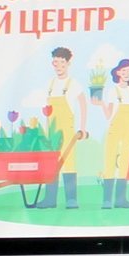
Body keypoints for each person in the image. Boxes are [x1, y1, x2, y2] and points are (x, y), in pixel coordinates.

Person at [32, 47, 78, 209]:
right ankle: (50, 199)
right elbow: (47, 109)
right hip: (52, 130)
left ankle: (71, 200)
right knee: (50, 163)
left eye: (62, 62)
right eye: (55, 62)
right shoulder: (50, 84)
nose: (58, 65)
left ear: (68, 63)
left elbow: (83, 104)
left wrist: (84, 128)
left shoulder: (72, 84)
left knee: (68, 162)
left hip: (67, 129)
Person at [100, 59, 129, 208]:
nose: (127, 74)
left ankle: (120, 200)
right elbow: (108, 114)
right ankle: (106, 200)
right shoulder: (113, 90)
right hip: (114, 129)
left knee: (124, 164)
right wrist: (100, 104)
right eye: (124, 70)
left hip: (128, 132)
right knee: (110, 163)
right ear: (118, 72)